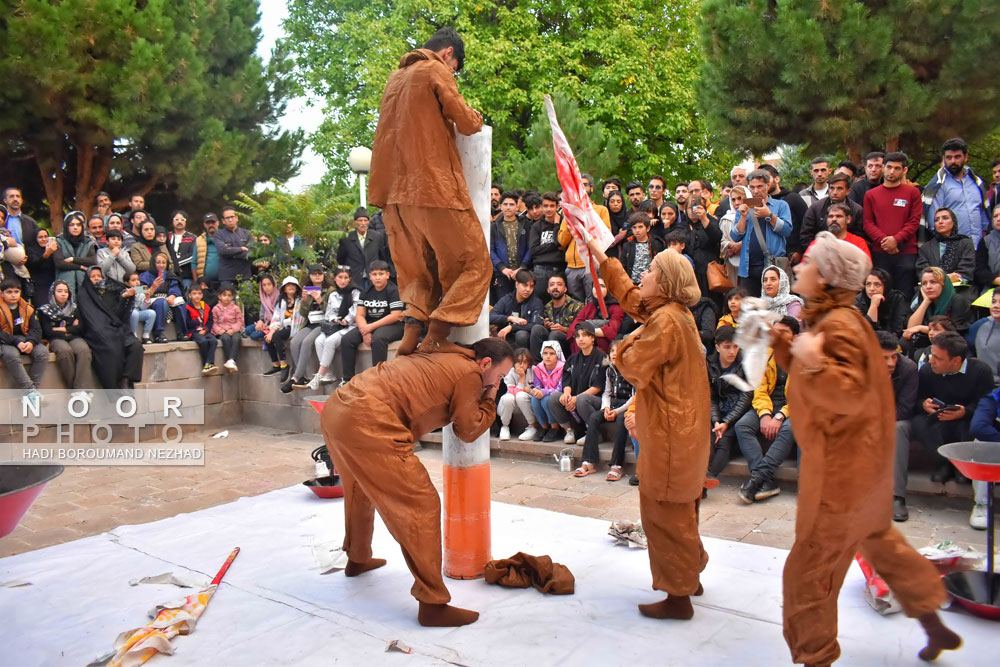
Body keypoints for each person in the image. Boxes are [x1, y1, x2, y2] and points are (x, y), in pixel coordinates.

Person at [773, 231, 961, 666]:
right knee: (881, 545)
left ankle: (816, 657)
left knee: (809, 571)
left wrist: (807, 356)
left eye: (808, 264)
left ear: (825, 279)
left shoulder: (839, 324)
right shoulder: (834, 318)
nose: (799, 266)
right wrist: (787, 345)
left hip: (842, 473)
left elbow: (846, 391)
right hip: (860, 465)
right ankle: (935, 625)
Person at [321, 337, 513, 627]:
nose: (497, 382)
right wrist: (489, 398)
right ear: (485, 363)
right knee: (422, 504)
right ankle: (432, 603)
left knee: (360, 487)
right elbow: (468, 429)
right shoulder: (471, 375)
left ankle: (358, 558)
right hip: (369, 419)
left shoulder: (438, 349)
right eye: (499, 375)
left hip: (338, 407)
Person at [584, 232, 710, 620]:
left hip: (671, 436)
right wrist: (605, 259)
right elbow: (636, 300)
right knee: (682, 509)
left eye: (652, 270)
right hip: (685, 434)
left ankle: (678, 597)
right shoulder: (671, 311)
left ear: (667, 282)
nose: (644, 274)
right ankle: (691, 572)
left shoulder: (666, 322)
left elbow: (632, 362)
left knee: (663, 513)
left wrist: (617, 345)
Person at [368, 28, 491, 357]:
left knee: (418, 270)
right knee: (475, 264)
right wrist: (477, 118)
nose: (454, 74)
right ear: (449, 53)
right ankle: (437, 336)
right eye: (456, 68)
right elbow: (466, 122)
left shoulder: (395, 77)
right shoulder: (435, 69)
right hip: (432, 187)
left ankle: (410, 338)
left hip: (391, 196)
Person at [911, 331, 995, 484]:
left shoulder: (980, 371)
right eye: (931, 355)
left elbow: (987, 404)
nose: (931, 361)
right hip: (937, 418)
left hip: (965, 418)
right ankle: (943, 464)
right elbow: (916, 400)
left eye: (937, 358)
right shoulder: (927, 371)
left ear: (956, 361)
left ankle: (962, 466)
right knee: (919, 422)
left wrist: (965, 411)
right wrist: (924, 404)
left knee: (975, 425)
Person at [734, 316, 799, 504]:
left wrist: (779, 416)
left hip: (792, 409)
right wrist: (765, 414)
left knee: (788, 429)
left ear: (795, 337)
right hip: (768, 405)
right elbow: (759, 389)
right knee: (742, 426)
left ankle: (756, 479)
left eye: (783, 332)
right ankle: (765, 481)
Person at [863, 151, 922, 301]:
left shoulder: (913, 193)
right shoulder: (871, 194)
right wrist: (885, 241)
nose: (891, 171)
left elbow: (914, 221)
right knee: (881, 294)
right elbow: (868, 223)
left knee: (905, 295)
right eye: (888, 167)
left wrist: (896, 239)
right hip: (880, 251)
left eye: (896, 168)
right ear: (883, 168)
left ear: (904, 170)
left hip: (906, 252)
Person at [875, 331, 920, 523]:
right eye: (885, 358)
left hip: (894, 420)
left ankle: (897, 497)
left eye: (894, 356)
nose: (891, 363)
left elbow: (904, 409)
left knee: (899, 428)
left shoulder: (908, 368)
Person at [577, 338, 635, 481]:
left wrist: (618, 411)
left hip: (626, 406)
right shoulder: (609, 370)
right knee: (595, 417)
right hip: (612, 404)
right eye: (612, 351)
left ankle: (617, 464)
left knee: (622, 418)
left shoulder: (633, 370)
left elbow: (634, 397)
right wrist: (606, 408)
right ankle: (588, 461)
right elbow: (606, 392)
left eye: (618, 351)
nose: (614, 354)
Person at [728, 169, 793, 297]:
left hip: (772, 266)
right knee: (751, 308)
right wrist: (742, 216)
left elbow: (787, 230)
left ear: (768, 186)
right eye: (752, 187)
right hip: (748, 268)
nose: (756, 191)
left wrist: (769, 215)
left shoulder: (780, 205)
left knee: (774, 307)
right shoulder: (744, 206)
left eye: (759, 187)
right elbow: (735, 236)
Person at [76, 267, 144, 389]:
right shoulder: (84, 294)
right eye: (93, 276)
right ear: (88, 278)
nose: (96, 278)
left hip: (117, 327)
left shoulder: (110, 290)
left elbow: (118, 312)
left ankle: (126, 379)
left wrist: (124, 298)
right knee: (112, 349)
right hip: (98, 331)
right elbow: (90, 319)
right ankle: (113, 388)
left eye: (99, 275)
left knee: (136, 346)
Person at [340, 260, 405, 382]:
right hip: (370, 325)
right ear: (370, 276)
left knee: (378, 339)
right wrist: (365, 331)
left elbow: (396, 315)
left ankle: (378, 379)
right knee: (347, 340)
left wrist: (370, 328)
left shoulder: (393, 291)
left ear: (387, 274)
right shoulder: (366, 291)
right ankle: (347, 380)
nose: (377, 277)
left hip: (393, 324)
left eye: (381, 274)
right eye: (374, 274)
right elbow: (360, 314)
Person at [922, 137, 991, 247]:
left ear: (966, 157)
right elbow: (934, 222)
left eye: (957, 157)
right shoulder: (938, 185)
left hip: (978, 246)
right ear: (944, 159)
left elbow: (984, 216)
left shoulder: (976, 182)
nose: (953, 161)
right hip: (951, 248)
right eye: (949, 157)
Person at [706, 325, 753, 486]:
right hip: (717, 413)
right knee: (710, 437)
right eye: (727, 347)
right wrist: (716, 421)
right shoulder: (709, 364)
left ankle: (707, 479)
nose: (732, 351)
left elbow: (746, 397)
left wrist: (727, 422)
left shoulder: (745, 363)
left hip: (737, 415)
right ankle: (703, 478)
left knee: (724, 439)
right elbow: (710, 396)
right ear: (717, 347)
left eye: (735, 346)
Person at [548, 323, 606, 446]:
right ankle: (570, 430)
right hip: (575, 399)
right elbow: (567, 379)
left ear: (592, 338)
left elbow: (598, 386)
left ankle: (594, 432)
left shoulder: (602, 358)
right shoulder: (572, 359)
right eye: (577, 336)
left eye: (585, 335)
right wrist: (567, 394)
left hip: (595, 401)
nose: (580, 339)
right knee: (553, 398)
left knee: (582, 399)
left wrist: (576, 398)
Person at [305, 267, 360, 390]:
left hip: (350, 327)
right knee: (319, 341)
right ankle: (328, 373)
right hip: (335, 326)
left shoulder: (355, 292)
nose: (343, 281)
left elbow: (356, 311)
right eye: (340, 277)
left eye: (346, 278)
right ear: (335, 278)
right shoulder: (333, 295)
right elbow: (329, 313)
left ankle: (319, 376)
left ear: (350, 279)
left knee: (329, 342)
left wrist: (347, 319)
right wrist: (334, 319)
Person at [37, 280, 94, 397]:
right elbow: (47, 331)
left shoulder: (74, 308)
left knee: (83, 350)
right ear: (53, 293)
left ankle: (81, 387)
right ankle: (74, 389)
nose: (63, 294)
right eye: (59, 291)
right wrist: (69, 329)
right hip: (54, 339)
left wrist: (59, 329)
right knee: (65, 351)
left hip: (73, 337)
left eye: (66, 291)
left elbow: (81, 327)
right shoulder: (45, 310)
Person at [285, 265, 333, 392]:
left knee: (307, 342)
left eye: (319, 274)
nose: (317, 276)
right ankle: (303, 377)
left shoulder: (330, 290)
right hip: (310, 322)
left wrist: (320, 300)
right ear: (310, 276)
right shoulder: (308, 289)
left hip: (324, 323)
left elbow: (331, 311)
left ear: (324, 275)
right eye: (314, 274)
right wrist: (305, 300)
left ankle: (295, 377)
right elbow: (303, 313)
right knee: (294, 342)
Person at [0, 277, 47, 404]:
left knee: (42, 352)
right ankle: (29, 390)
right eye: (9, 292)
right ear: (2, 293)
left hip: (25, 338)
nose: (13, 295)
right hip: (5, 341)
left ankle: (31, 393)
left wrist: (31, 342)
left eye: (16, 291)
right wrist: (17, 342)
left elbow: (36, 329)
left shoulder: (27, 308)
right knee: (11, 355)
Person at [904, 267, 973, 349]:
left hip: (951, 345)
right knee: (904, 341)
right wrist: (926, 301)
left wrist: (921, 328)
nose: (928, 287)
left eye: (933, 282)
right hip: (928, 341)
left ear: (944, 284)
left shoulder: (958, 301)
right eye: (924, 283)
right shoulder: (923, 299)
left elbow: (952, 332)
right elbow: (911, 328)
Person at [799, 173, 864, 249]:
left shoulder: (857, 210)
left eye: (839, 188)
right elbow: (806, 236)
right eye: (832, 188)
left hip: (848, 252)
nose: (835, 192)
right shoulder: (816, 208)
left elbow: (860, 236)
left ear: (848, 191)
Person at [916, 207, 976, 285]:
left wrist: (948, 279)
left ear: (953, 221)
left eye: (945, 218)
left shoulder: (965, 243)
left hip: (959, 288)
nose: (940, 222)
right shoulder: (926, 248)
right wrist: (943, 278)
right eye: (936, 220)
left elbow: (966, 270)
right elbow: (922, 272)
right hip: (931, 287)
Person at [968, 387, 1000, 529]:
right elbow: (978, 427)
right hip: (997, 451)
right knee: (980, 444)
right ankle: (982, 505)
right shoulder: (992, 399)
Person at [529, 273, 581, 361]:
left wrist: (563, 329)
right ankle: (538, 365)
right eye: (552, 285)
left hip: (568, 342)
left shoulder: (577, 306)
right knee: (537, 328)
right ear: (548, 290)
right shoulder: (546, 307)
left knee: (555, 334)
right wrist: (546, 325)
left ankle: (555, 367)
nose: (555, 287)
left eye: (559, 284)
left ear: (565, 289)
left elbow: (581, 330)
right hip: (550, 342)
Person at [567, 278, 624, 355]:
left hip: (603, 345)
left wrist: (588, 332)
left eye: (602, 286)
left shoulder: (616, 307)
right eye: (595, 286)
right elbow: (575, 325)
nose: (597, 288)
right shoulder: (588, 307)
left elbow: (613, 329)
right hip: (585, 338)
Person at [336, 209, 391, 290]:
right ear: (355, 222)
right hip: (355, 278)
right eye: (360, 220)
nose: (363, 223)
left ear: (368, 222)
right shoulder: (347, 239)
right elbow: (341, 259)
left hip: (373, 278)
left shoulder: (377, 237)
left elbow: (383, 256)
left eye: (365, 220)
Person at [140, 252, 188, 343]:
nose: (161, 265)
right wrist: (152, 287)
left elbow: (175, 288)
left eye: (164, 262)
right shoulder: (145, 275)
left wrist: (173, 296)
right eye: (158, 262)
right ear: (153, 263)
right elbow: (138, 289)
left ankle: (181, 332)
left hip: (168, 297)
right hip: (151, 298)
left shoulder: (170, 275)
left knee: (180, 304)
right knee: (161, 302)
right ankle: (158, 333)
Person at [527, 192, 566, 299]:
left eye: (552, 206)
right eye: (545, 206)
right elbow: (534, 250)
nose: (548, 209)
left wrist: (556, 225)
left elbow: (561, 243)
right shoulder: (537, 226)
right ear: (542, 207)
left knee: (559, 300)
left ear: (557, 207)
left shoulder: (563, 222)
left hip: (559, 268)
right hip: (540, 270)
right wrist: (554, 245)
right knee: (539, 300)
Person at [490, 269, 542, 349]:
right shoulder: (507, 299)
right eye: (525, 285)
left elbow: (536, 324)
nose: (528, 289)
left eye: (531, 286)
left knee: (521, 335)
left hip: (524, 340)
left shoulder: (536, 303)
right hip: (505, 338)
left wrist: (512, 327)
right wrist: (509, 318)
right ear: (516, 284)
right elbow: (490, 316)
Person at [265, 276, 302, 381]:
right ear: (284, 289)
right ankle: (276, 365)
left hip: (296, 327)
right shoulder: (282, 302)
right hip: (284, 327)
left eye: (293, 285)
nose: (291, 287)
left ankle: (284, 365)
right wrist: (271, 331)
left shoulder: (300, 300)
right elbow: (276, 318)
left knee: (277, 335)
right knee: (268, 338)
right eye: (288, 285)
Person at [54, 211, 98, 296]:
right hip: (64, 284)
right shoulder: (59, 241)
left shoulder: (88, 242)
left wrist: (72, 259)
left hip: (83, 283)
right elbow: (59, 263)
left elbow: (93, 261)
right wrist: (80, 266)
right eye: (72, 225)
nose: (75, 227)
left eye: (78, 225)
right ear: (66, 227)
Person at [496, 347, 536, 441]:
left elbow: (535, 390)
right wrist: (522, 377)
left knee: (521, 396)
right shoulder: (509, 372)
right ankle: (505, 426)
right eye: (518, 361)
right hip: (510, 404)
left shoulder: (534, 370)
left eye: (525, 362)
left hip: (527, 403)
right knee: (509, 398)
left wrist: (528, 390)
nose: (521, 365)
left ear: (529, 363)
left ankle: (532, 426)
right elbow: (513, 393)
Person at [530, 340, 566, 442]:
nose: (548, 356)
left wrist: (545, 392)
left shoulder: (563, 367)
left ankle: (555, 428)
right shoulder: (538, 368)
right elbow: (537, 385)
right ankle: (544, 427)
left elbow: (560, 388)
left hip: (558, 396)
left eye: (552, 353)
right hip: (544, 395)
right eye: (545, 353)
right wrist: (537, 391)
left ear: (557, 355)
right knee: (534, 399)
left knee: (546, 400)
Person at [855, 267, 908, 335]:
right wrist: (873, 306)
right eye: (868, 284)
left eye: (877, 284)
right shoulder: (859, 300)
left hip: (891, 340)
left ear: (885, 286)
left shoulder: (896, 298)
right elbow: (865, 331)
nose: (872, 289)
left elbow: (897, 329)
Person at [619, 213, 665, 284]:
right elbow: (622, 265)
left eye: (640, 227)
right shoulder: (628, 245)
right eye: (634, 227)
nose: (637, 230)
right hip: (632, 284)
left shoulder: (656, 243)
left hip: (651, 283)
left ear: (648, 228)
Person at [182, 284, 218, 375]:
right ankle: (206, 364)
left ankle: (209, 363)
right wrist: (196, 321)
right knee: (203, 342)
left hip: (204, 330)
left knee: (213, 340)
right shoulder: (187, 307)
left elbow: (210, 320)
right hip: (193, 331)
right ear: (190, 295)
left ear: (202, 295)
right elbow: (187, 323)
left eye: (199, 293)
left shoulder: (205, 306)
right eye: (194, 294)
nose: (197, 296)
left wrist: (206, 329)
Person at [215, 206, 253, 284]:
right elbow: (223, 250)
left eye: (232, 217)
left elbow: (252, 251)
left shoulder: (247, 233)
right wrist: (241, 249)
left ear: (236, 218)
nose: (230, 220)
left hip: (245, 276)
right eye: (227, 218)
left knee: (247, 296)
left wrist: (231, 253)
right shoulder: (219, 234)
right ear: (223, 221)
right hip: (226, 277)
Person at [211, 285, 244, 373]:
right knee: (225, 338)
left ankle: (231, 360)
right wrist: (219, 330)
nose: (227, 297)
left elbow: (240, 321)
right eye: (224, 295)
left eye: (229, 295)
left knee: (236, 338)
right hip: (222, 331)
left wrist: (233, 329)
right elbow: (214, 323)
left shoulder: (235, 308)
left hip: (233, 330)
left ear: (232, 297)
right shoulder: (215, 309)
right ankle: (231, 360)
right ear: (219, 296)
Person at [718, 185, 746, 287]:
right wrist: (731, 245)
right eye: (733, 200)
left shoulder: (755, 216)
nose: (736, 203)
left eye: (740, 198)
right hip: (732, 263)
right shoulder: (726, 219)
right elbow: (721, 241)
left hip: (751, 262)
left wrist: (742, 244)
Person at [25, 227, 58, 307]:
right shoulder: (30, 250)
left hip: (52, 283)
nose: (44, 239)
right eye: (40, 237)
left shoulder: (54, 249)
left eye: (46, 236)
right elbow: (34, 263)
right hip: (38, 286)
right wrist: (46, 254)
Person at [167, 210, 198, 289]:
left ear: (186, 222)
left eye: (182, 219)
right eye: (176, 219)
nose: (179, 222)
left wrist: (176, 264)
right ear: (172, 221)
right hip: (168, 274)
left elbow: (192, 256)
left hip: (185, 275)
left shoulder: (192, 238)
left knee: (186, 293)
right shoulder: (167, 236)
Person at [974, 205, 1000, 289]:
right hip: (992, 287)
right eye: (995, 216)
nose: (998, 219)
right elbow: (980, 270)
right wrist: (995, 279)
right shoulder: (985, 241)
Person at [248, 273, 279, 344]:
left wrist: (267, 326)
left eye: (269, 284)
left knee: (254, 335)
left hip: (275, 326)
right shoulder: (264, 297)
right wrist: (260, 322)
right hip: (265, 324)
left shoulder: (279, 297)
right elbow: (262, 315)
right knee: (248, 330)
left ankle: (266, 336)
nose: (266, 287)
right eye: (264, 285)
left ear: (274, 285)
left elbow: (279, 318)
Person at [126, 271, 155, 344]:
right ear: (127, 283)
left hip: (138, 312)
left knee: (151, 313)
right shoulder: (125, 290)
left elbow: (144, 308)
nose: (137, 282)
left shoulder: (141, 290)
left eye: (138, 280)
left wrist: (147, 298)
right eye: (133, 280)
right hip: (129, 313)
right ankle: (133, 335)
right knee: (135, 313)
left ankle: (146, 335)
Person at [195, 213, 220, 286]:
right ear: (204, 225)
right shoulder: (199, 240)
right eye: (208, 223)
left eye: (213, 222)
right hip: (205, 283)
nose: (211, 225)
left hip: (224, 280)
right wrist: (196, 282)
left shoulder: (225, 237)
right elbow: (194, 262)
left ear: (218, 223)